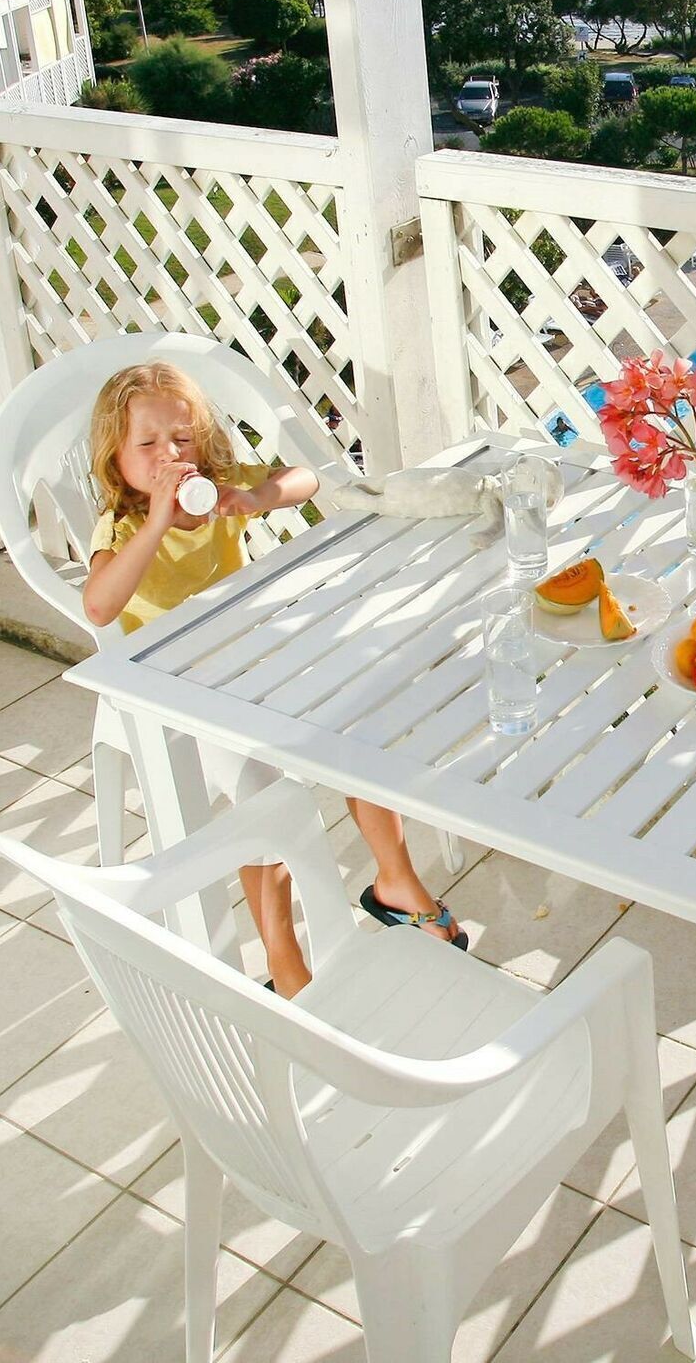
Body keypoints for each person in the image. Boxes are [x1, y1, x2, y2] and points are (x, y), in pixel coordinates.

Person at [81, 362, 465, 997]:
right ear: (115, 460)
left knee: (351, 727)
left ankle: (395, 880)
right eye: (147, 444)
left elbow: (307, 478)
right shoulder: (122, 527)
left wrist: (255, 498)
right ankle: (284, 960)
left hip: (250, 661)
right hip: (173, 690)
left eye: (182, 438)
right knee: (262, 793)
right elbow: (98, 607)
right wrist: (155, 523)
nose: (169, 455)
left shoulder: (218, 491)